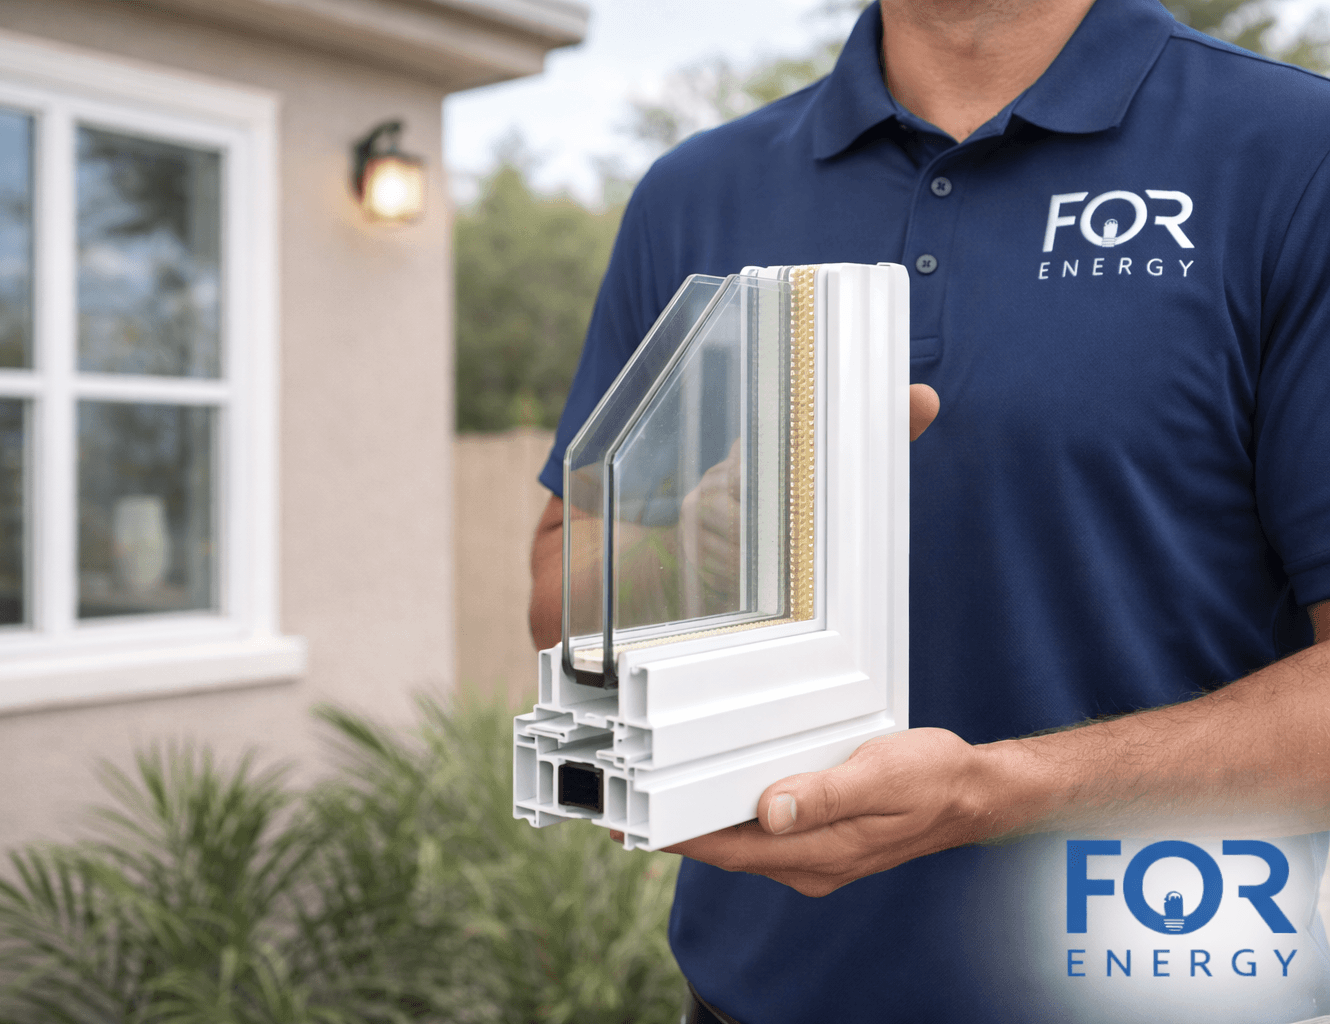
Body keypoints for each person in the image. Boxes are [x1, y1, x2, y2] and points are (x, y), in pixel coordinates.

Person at [527, 0, 1330, 1020]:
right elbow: (561, 607)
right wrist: (694, 549)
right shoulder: (700, 193)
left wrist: (995, 792)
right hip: (751, 997)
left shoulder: (1296, 156)